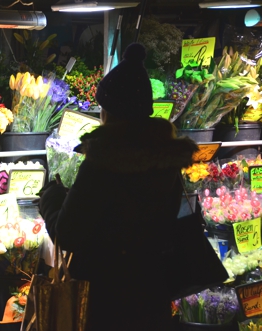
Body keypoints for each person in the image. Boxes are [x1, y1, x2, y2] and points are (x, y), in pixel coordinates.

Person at [38, 43, 198, 330]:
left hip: (104, 299)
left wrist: (50, 197)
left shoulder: (104, 160)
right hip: (152, 293)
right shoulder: (166, 158)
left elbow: (68, 233)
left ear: (109, 112)